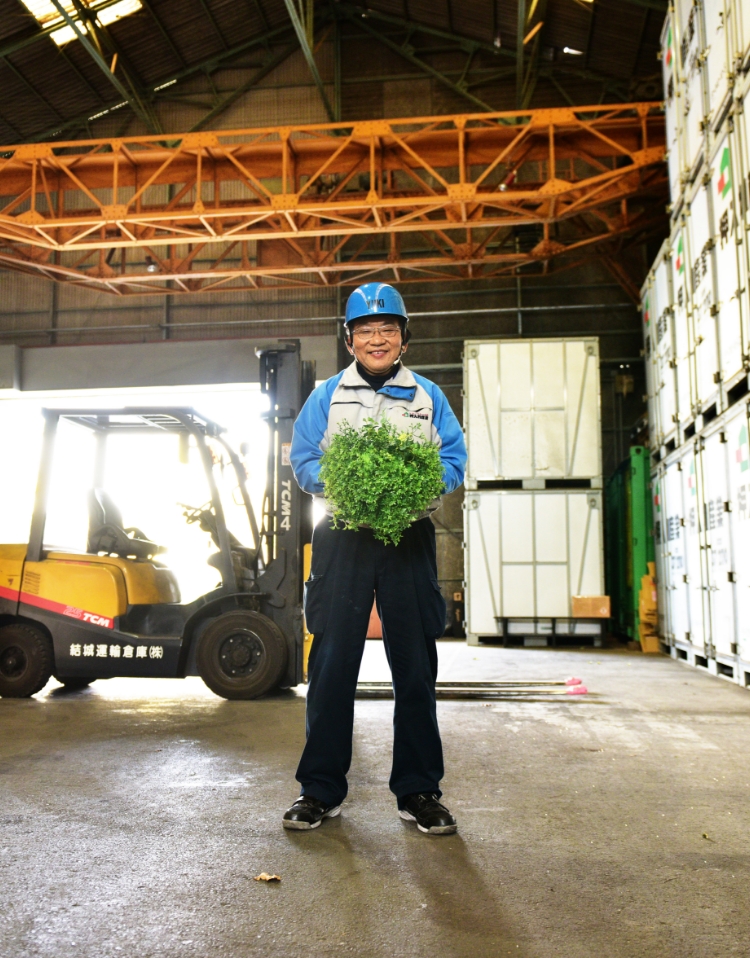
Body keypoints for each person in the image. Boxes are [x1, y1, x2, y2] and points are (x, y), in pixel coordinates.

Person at [283, 282, 467, 835]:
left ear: (403, 339)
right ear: (349, 339)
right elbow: (304, 458)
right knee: (332, 665)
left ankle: (418, 790)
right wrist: (345, 484)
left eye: (388, 329)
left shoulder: (428, 397)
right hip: (343, 535)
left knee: (414, 666)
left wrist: (417, 488)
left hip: (407, 537)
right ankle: (319, 790)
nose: (377, 338)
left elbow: (454, 458)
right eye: (366, 330)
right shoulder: (326, 396)